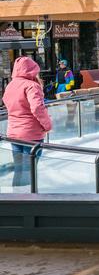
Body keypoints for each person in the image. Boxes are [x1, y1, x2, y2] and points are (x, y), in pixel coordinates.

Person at [2, 56, 52, 188]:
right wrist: (47, 125)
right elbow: (37, 107)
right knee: (29, 169)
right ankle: (28, 200)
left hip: (13, 133)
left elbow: (7, 103)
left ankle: (15, 199)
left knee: (19, 169)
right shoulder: (32, 86)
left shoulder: (11, 85)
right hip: (31, 134)